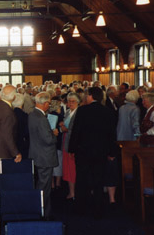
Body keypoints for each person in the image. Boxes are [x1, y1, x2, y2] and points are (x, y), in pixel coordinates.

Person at [68, 87, 117, 218]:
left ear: (90, 96)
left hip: (83, 151)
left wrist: (71, 149)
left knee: (82, 180)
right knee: (98, 180)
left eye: (86, 95)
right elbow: (112, 134)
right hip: (100, 152)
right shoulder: (108, 111)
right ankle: (98, 209)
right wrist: (112, 152)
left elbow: (75, 131)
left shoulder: (83, 110)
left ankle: (81, 208)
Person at [28, 92, 58, 219]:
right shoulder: (41, 118)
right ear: (45, 103)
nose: (49, 106)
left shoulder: (32, 114)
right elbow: (48, 140)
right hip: (44, 156)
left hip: (36, 154)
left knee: (40, 184)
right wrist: (54, 134)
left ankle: (40, 210)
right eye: (48, 103)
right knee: (44, 188)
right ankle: (44, 213)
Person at [0, 85, 21, 172]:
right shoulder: (8, 112)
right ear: (13, 96)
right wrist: (16, 153)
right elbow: (7, 135)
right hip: (3, 150)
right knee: (1, 178)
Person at [61, 93, 80, 200]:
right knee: (67, 168)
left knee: (74, 169)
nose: (71, 103)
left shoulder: (79, 113)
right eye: (69, 101)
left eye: (73, 101)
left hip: (74, 143)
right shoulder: (68, 112)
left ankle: (76, 192)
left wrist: (67, 129)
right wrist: (62, 125)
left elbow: (79, 130)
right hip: (65, 141)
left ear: (78, 102)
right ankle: (71, 192)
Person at [49, 97, 64, 190]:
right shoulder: (60, 117)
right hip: (58, 142)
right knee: (59, 163)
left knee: (51, 163)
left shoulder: (48, 116)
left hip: (50, 143)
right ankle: (58, 183)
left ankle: (52, 184)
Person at [12, 93, 30, 159]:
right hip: (23, 146)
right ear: (22, 103)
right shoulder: (25, 116)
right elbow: (27, 133)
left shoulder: (10, 114)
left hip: (12, 146)